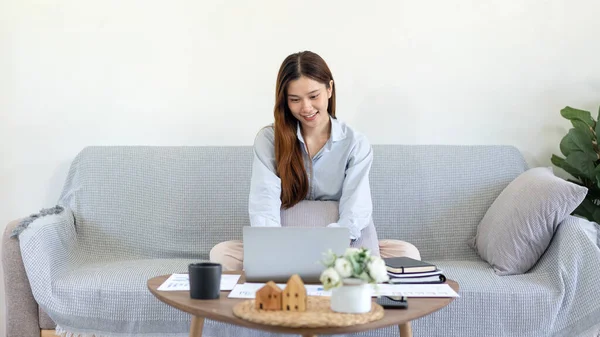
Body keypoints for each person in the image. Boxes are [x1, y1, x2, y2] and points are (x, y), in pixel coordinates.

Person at [210, 51, 420, 271]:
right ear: (284, 101)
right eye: (295, 100)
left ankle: (316, 268)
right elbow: (264, 203)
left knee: (408, 254)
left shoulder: (355, 143)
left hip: (342, 245)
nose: (306, 108)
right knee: (222, 253)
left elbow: (356, 208)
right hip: (284, 243)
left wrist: (327, 246)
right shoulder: (269, 140)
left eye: (313, 96)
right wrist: (275, 249)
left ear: (329, 89)